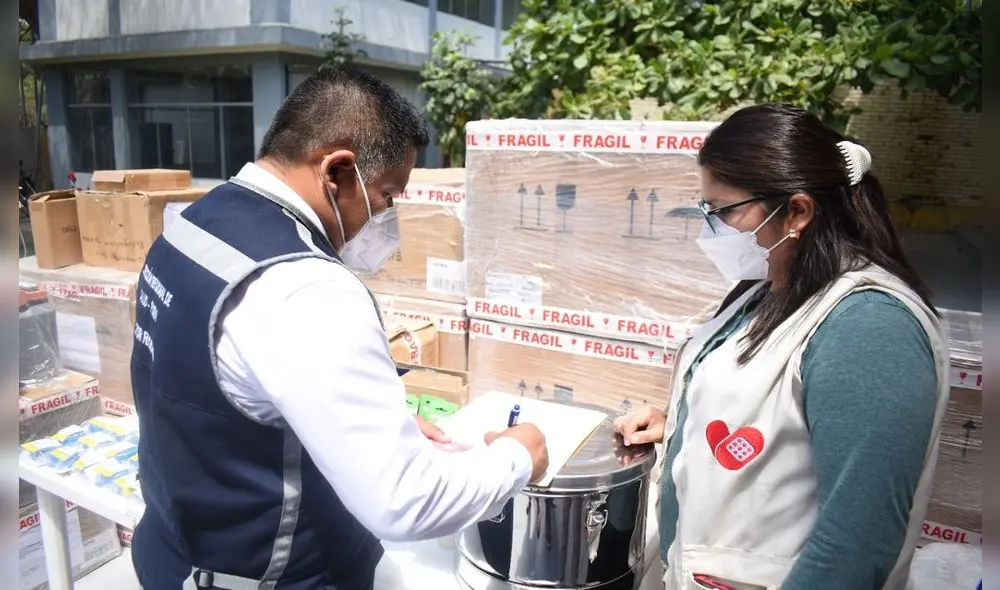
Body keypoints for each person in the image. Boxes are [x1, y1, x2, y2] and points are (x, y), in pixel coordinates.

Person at [129, 66, 549, 590]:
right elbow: (406, 503)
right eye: (389, 195)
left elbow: (211, 384)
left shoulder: (194, 224)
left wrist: (346, 424)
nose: (388, 216)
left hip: (172, 555)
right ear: (338, 172)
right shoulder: (305, 287)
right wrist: (517, 456)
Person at [615, 104, 949, 590]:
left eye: (725, 211)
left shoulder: (870, 328)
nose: (712, 229)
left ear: (797, 211)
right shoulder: (767, 289)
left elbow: (856, 545)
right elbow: (781, 416)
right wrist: (688, 422)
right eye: (707, 210)